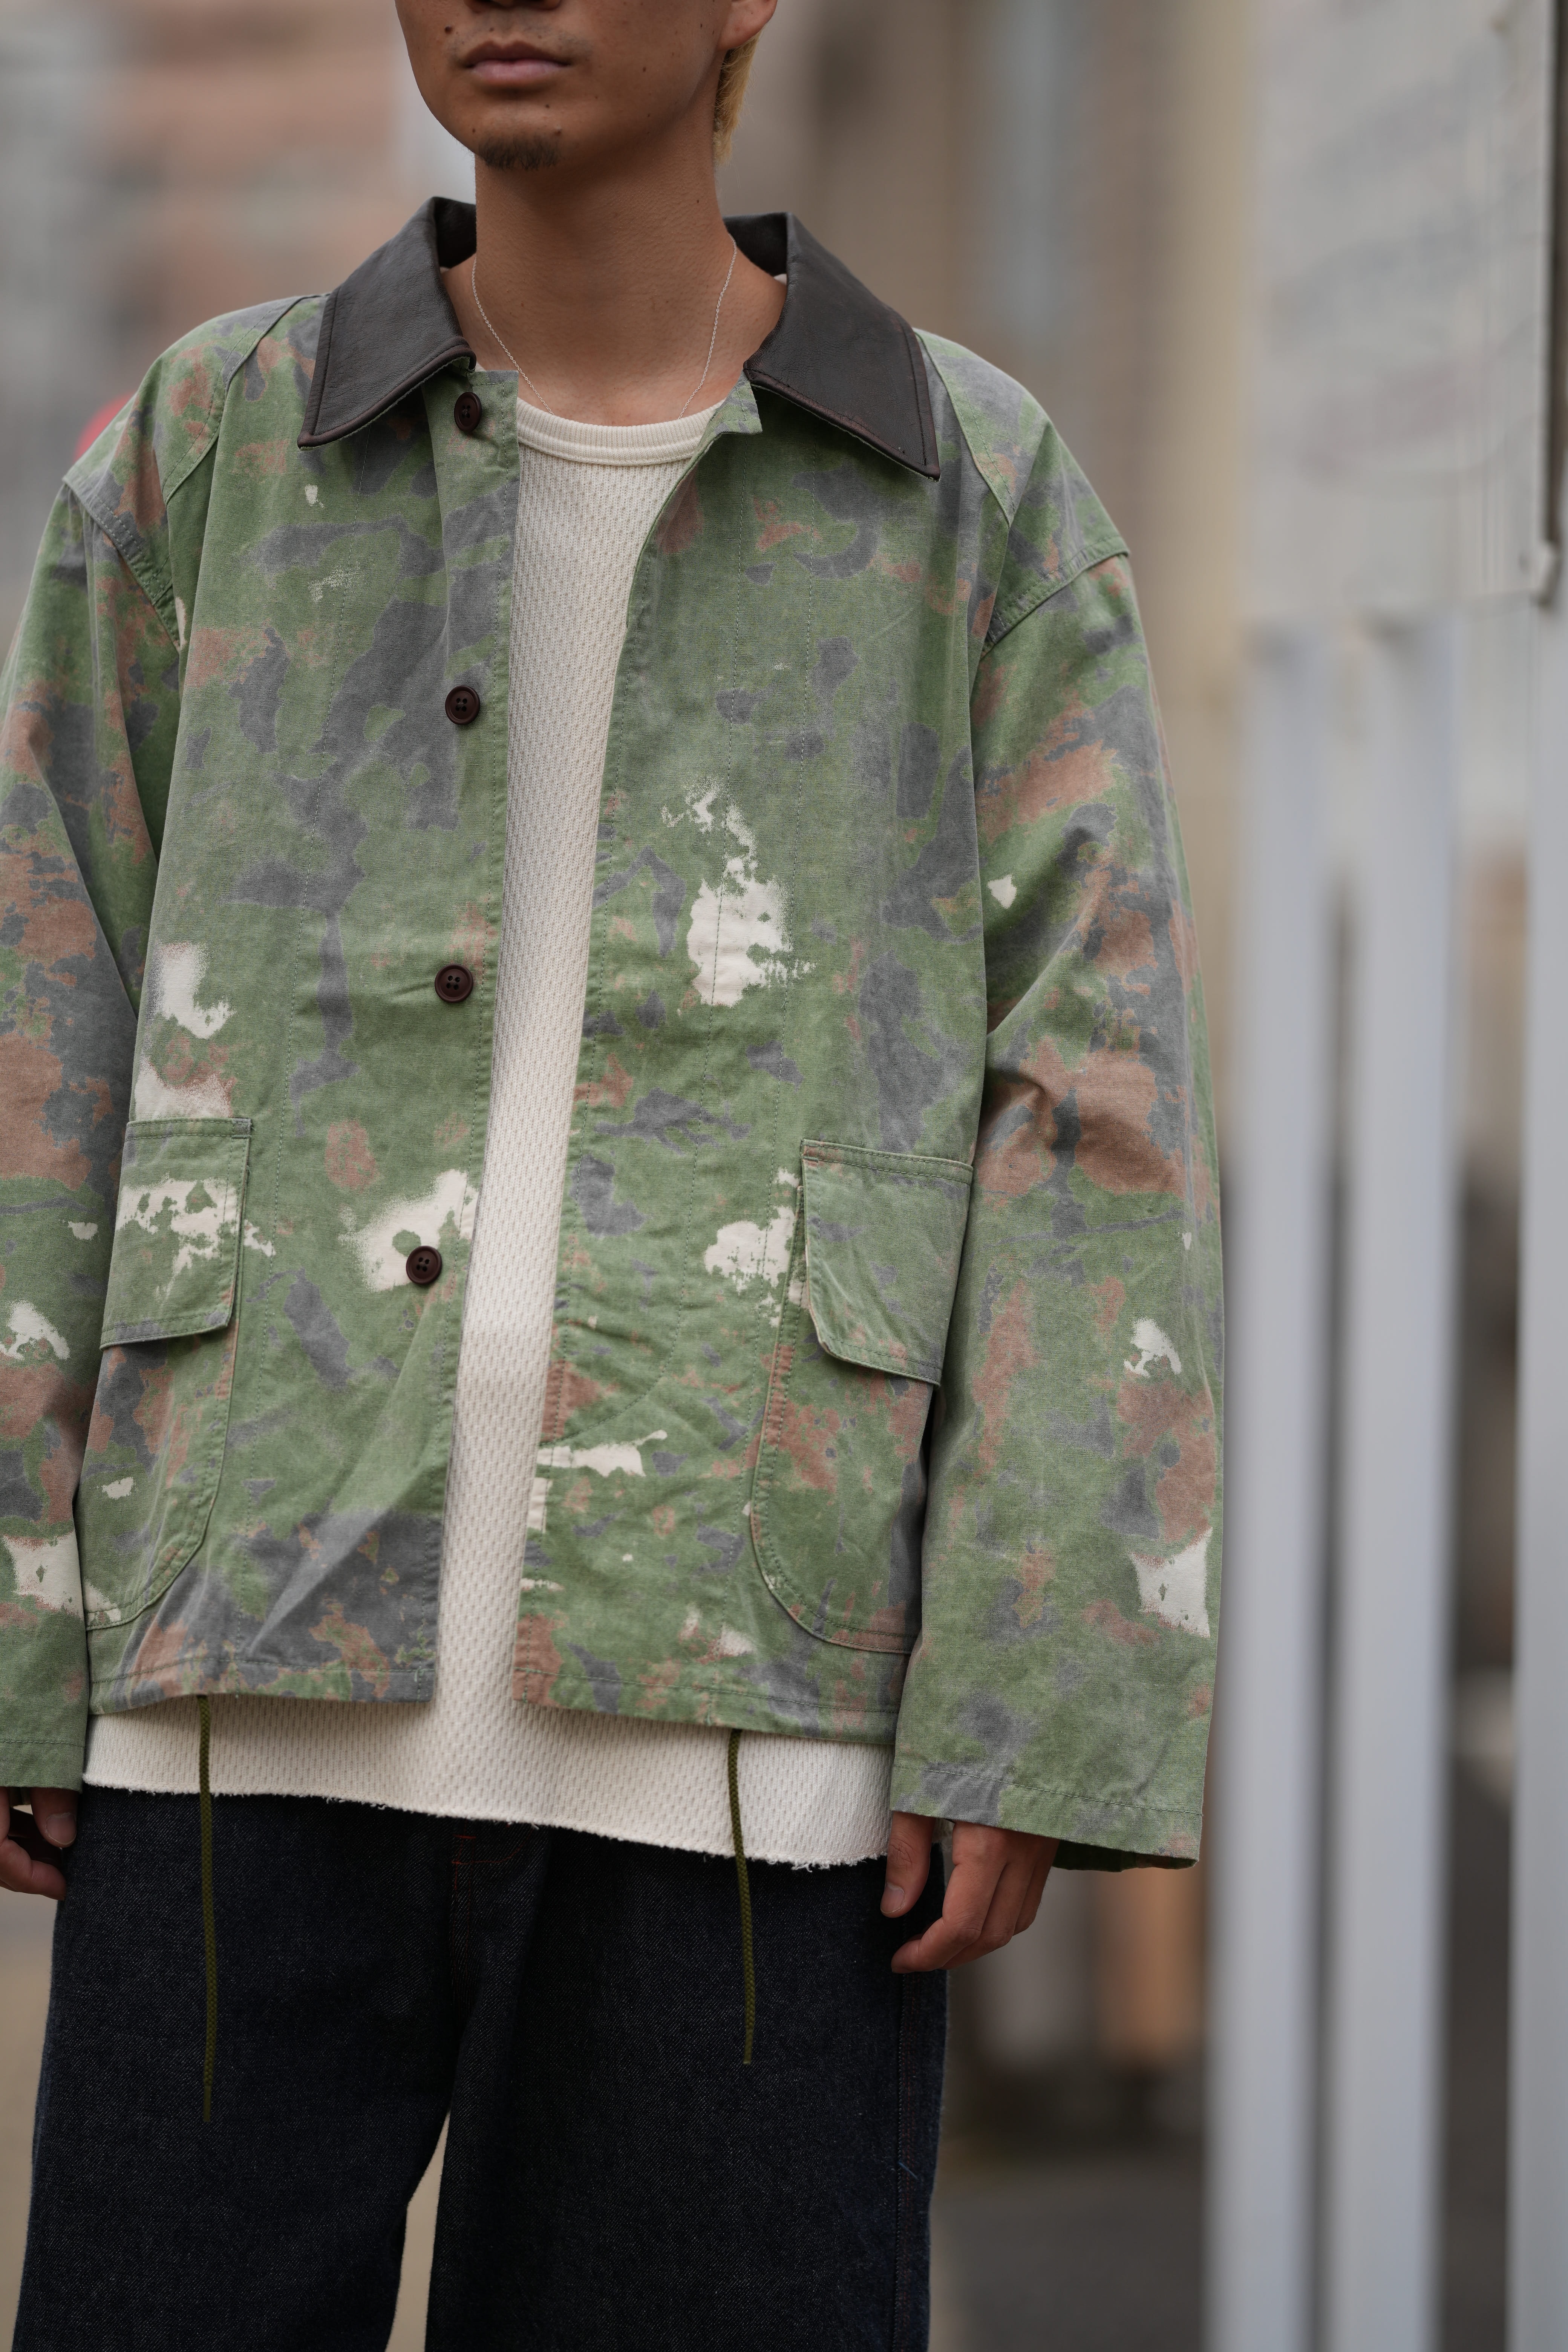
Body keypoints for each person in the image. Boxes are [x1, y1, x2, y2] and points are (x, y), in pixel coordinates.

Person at [0, 3, 1223, 2345]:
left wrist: (1036, 1688)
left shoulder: (971, 491)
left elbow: (1094, 1114)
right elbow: (41, 1027)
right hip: (231, 1695)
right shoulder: (209, 452)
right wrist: (13, 1612)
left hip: (755, 1740)